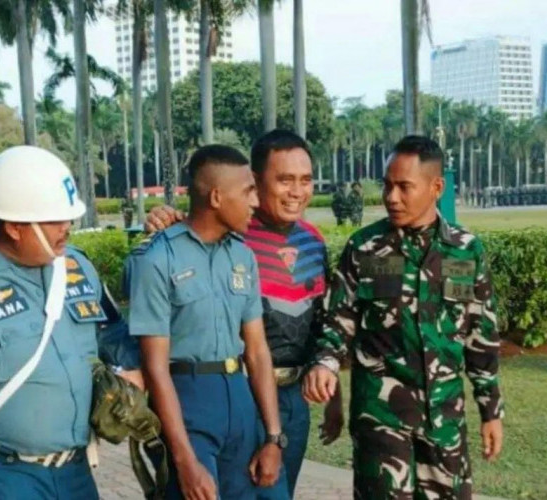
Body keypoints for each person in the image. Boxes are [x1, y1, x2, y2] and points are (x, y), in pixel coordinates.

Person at [0, 146, 142, 499]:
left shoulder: (76, 267)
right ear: (15, 227)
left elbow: (111, 328)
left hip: (76, 474)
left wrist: (128, 364)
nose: (67, 228)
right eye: (55, 220)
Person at [144, 130, 344, 499]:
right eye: (284, 180)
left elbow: (324, 323)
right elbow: (187, 240)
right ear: (254, 180)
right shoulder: (231, 233)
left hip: (293, 399)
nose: (297, 192)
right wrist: (163, 219)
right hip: (240, 394)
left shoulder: (313, 241)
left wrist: (335, 396)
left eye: (305, 180)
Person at [303, 135, 504, 500]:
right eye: (387, 185)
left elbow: (480, 335)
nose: (391, 197)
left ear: (436, 187)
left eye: (404, 186)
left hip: (444, 419)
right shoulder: (365, 248)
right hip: (382, 417)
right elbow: (338, 319)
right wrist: (325, 363)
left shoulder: (465, 250)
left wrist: (490, 410)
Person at [127, 145, 283, 500]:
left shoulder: (243, 256)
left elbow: (257, 352)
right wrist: (184, 459)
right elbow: (155, 366)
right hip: (187, 402)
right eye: (248, 191)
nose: (256, 202)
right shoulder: (156, 259)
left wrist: (273, 437)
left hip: (239, 400)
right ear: (216, 196)